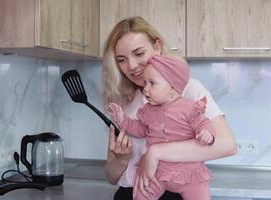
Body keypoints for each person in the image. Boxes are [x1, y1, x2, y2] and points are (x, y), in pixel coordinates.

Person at [101, 16, 237, 200]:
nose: (132, 66)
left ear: (157, 46)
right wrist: (120, 159)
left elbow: (227, 145)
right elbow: (111, 176)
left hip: (173, 193)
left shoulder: (187, 88)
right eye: (121, 59)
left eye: (139, 53)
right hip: (129, 194)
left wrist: (155, 153)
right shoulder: (122, 100)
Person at [109, 55, 215, 200]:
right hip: (158, 172)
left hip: (189, 174)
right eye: (145, 83)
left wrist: (207, 133)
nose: (145, 89)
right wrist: (122, 120)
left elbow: (204, 123)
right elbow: (139, 129)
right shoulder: (148, 110)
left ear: (173, 86)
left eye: (152, 83)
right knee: (141, 194)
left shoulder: (190, 107)